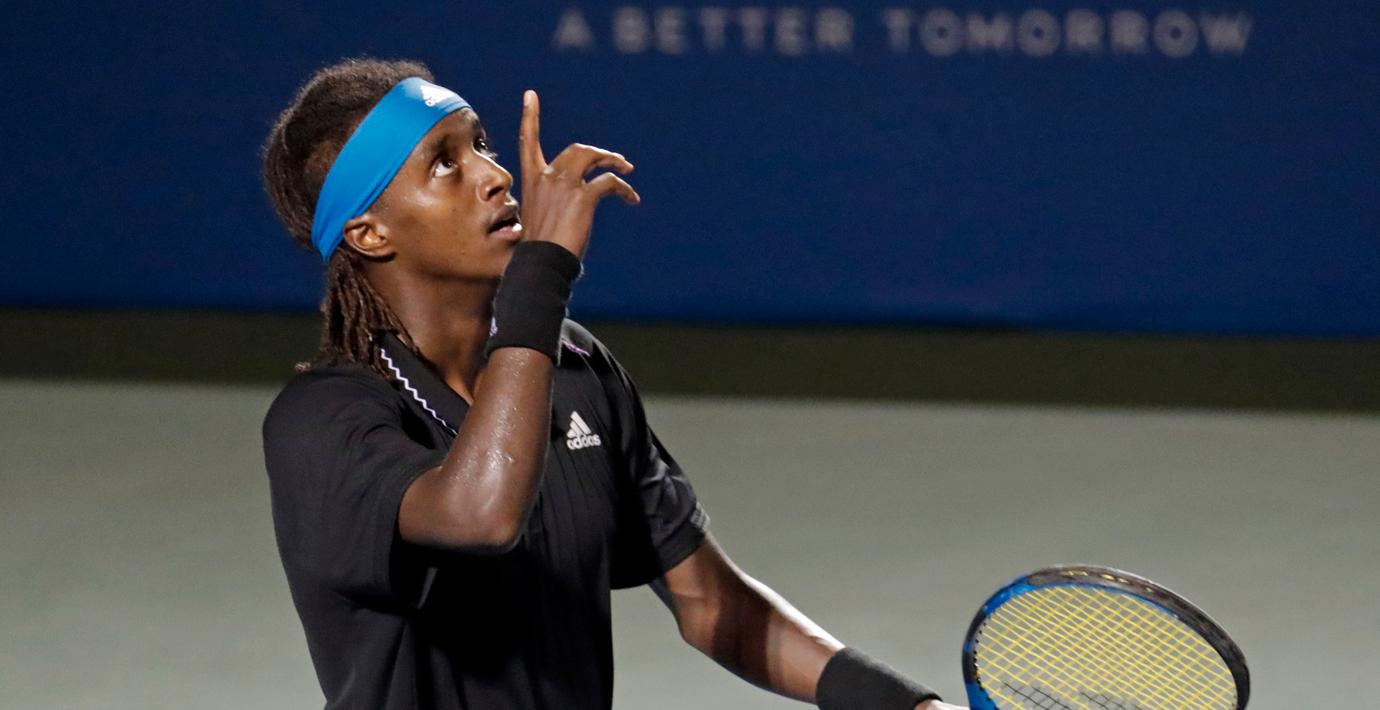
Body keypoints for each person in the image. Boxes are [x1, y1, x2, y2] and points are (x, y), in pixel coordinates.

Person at [259, 56, 964, 710]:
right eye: (445, 163)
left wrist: (908, 705)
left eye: (481, 145)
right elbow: (480, 513)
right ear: (370, 233)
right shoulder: (321, 423)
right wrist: (541, 274)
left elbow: (710, 603)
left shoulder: (575, 367)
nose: (494, 176)